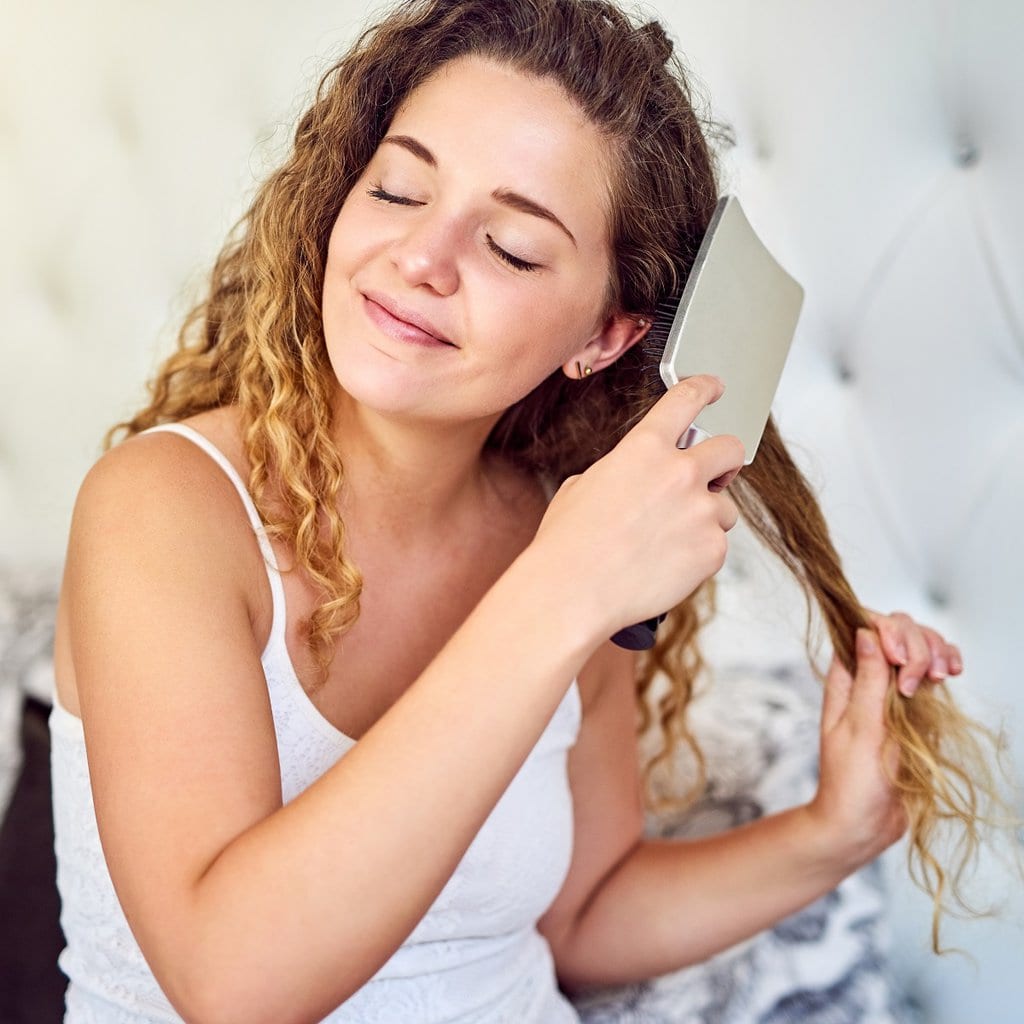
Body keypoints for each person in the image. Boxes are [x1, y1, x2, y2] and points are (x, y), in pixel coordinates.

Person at [50, 1, 985, 1022]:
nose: (422, 256)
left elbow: (577, 920)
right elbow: (230, 979)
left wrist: (828, 833)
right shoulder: (164, 508)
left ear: (604, 336)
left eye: (510, 247)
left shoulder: (573, 535)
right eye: (399, 188)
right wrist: (558, 590)